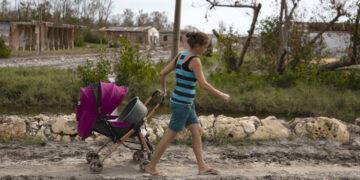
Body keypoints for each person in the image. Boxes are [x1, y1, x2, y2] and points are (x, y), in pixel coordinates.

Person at [145, 32, 231, 176]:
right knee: (169, 135)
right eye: (204, 47)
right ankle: (151, 166)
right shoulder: (195, 61)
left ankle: (202, 166)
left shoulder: (180, 56)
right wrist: (221, 94)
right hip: (183, 104)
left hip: (182, 102)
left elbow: (162, 73)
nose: (205, 50)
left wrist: (164, 90)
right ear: (197, 46)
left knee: (196, 131)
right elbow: (203, 84)